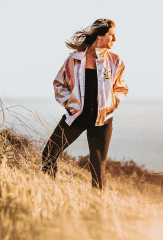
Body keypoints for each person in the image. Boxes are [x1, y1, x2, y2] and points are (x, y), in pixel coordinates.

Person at [42, 18, 128, 190]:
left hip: (102, 121)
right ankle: (49, 190)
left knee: (98, 167)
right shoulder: (74, 59)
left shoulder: (114, 61)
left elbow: (121, 88)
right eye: (112, 35)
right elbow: (59, 84)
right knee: (49, 153)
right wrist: (70, 104)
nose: (115, 39)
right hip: (76, 117)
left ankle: (97, 208)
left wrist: (112, 104)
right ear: (100, 35)